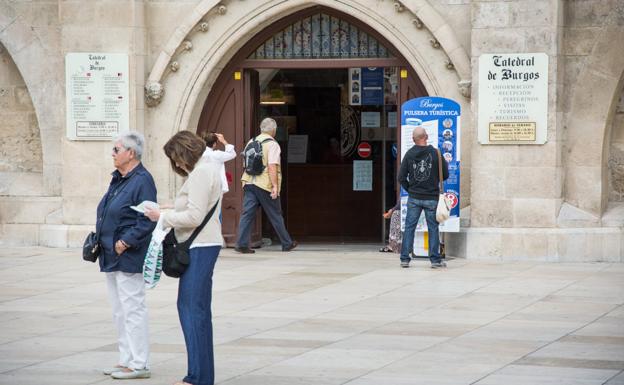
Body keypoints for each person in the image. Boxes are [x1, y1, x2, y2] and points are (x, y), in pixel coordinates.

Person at [144, 130, 222, 385]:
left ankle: (196, 378)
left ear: (185, 151)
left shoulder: (201, 173)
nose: (177, 164)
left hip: (199, 246)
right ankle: (201, 376)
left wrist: (163, 218)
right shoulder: (206, 168)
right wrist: (168, 208)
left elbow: (194, 217)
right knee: (196, 310)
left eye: (176, 158)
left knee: (191, 309)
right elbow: (194, 208)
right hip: (203, 245)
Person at [96, 131, 157, 379]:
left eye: (116, 150)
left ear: (130, 153)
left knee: (133, 307)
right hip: (111, 253)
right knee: (119, 309)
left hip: (127, 253)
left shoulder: (143, 180)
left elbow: (147, 219)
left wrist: (125, 241)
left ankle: (140, 362)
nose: (112, 154)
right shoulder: (119, 178)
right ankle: (126, 358)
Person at [235, 117, 298, 253]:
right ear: (274, 130)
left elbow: (245, 164)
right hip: (264, 184)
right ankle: (287, 243)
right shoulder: (272, 144)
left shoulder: (251, 142)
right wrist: (275, 186)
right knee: (275, 214)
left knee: (247, 214)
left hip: (249, 181)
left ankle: (241, 244)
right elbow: (272, 166)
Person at [398, 126, 448, 269]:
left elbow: (401, 177)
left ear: (413, 139)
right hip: (431, 197)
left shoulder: (409, 154)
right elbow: (445, 175)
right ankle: (435, 260)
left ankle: (405, 259)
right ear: (426, 137)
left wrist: (411, 189)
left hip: (414, 197)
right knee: (433, 228)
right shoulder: (436, 153)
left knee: (409, 227)